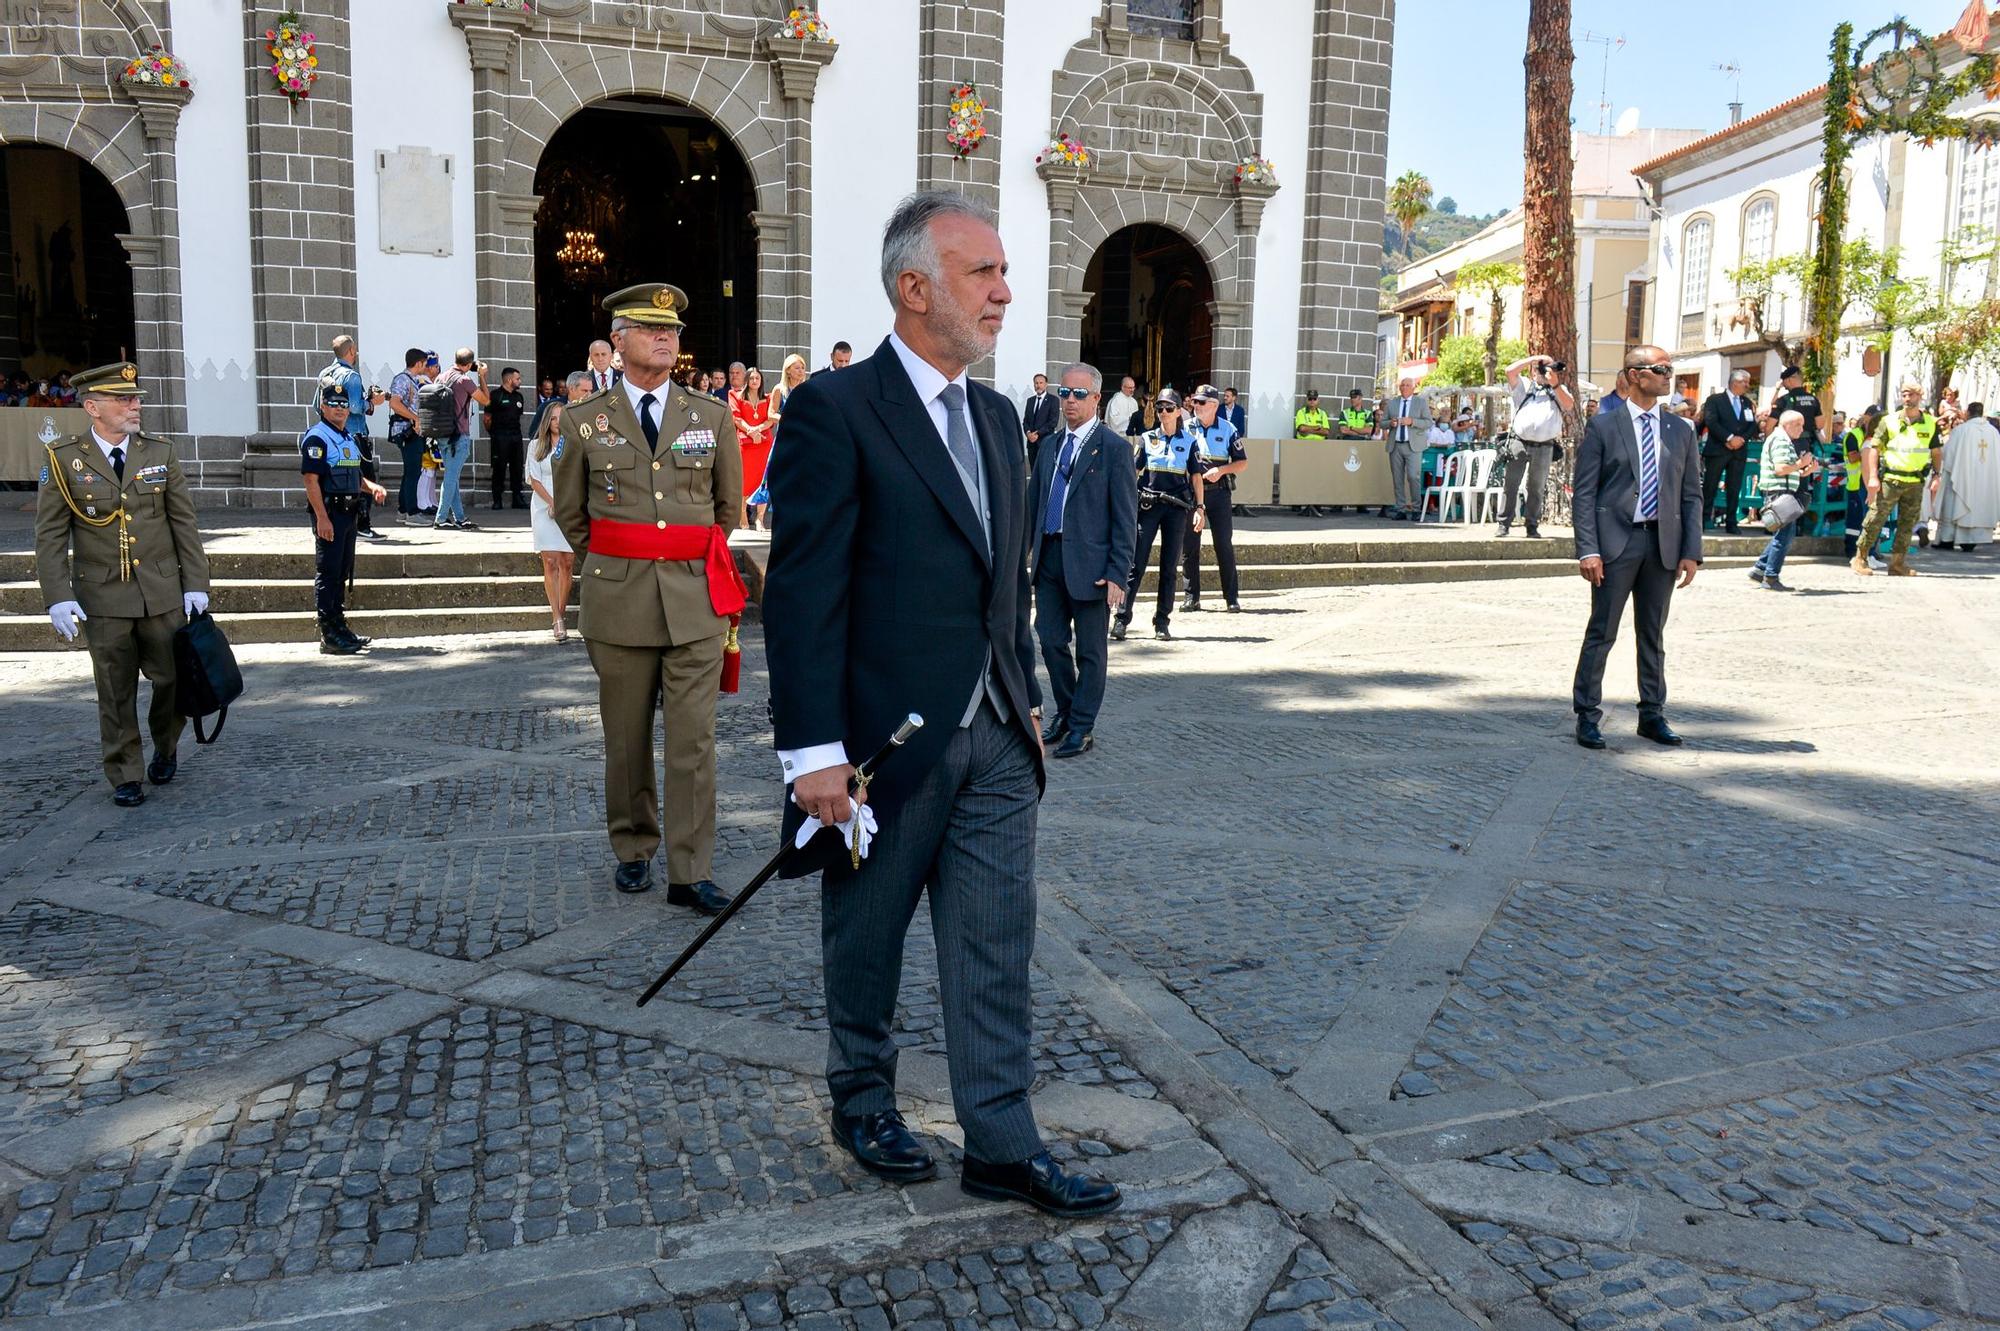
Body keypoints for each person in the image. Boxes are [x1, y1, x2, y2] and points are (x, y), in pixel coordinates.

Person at [763, 190, 1119, 1219]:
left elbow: (1000, 580)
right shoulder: (835, 409)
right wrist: (811, 753)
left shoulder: (1002, 414)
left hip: (998, 734)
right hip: (883, 741)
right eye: (981, 272)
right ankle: (862, 1096)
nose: (1005, 292)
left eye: (1004, 271)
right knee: (865, 936)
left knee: (996, 946)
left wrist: (1027, 699)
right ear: (912, 287)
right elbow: (803, 592)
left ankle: (1001, 1141)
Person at [552, 282, 741, 910]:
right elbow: (573, 516)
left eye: (674, 331)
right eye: (650, 328)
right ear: (618, 340)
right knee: (626, 738)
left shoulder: (710, 416)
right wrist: (619, 562)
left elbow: (726, 510)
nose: (666, 338)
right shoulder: (584, 422)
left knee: (694, 741)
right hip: (620, 600)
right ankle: (634, 847)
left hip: (694, 603)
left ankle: (690, 869)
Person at [36, 362, 213, 807]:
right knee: (114, 689)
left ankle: (166, 747)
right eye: (125, 400)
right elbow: (51, 534)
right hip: (103, 595)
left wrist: (196, 581)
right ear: (93, 407)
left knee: (172, 678)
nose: (136, 406)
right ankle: (124, 772)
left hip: (161, 591)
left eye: (135, 399)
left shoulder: (160, 452)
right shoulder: (63, 459)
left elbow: (183, 523)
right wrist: (57, 595)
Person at [1572, 347, 1702, 750]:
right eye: (1661, 370)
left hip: (1661, 545)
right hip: (1615, 544)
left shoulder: (1680, 430)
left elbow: (1691, 495)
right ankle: (1587, 716)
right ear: (1635, 374)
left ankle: (1652, 714)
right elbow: (1585, 493)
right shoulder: (1604, 426)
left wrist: (1691, 551)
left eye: (1670, 369)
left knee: (1652, 634)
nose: (1668, 376)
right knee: (1602, 631)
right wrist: (1587, 550)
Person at [1030, 362, 1136, 759]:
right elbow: (1034, 505)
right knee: (1051, 639)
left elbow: (1126, 518)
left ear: (1096, 398)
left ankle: (1082, 725)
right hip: (1050, 559)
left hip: (1092, 567)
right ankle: (1069, 710)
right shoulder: (1050, 446)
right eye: (1064, 393)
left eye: (1078, 394)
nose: (1068, 401)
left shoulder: (1114, 450)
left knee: (1090, 652)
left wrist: (1117, 574)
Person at [300, 380, 389, 654]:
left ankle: (341, 627)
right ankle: (329, 633)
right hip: (331, 513)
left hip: (349, 514)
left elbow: (354, 474)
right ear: (323, 406)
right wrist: (322, 518)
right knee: (328, 574)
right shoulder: (317, 437)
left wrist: (371, 487)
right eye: (333, 404)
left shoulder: (346, 437)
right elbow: (311, 481)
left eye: (343, 405)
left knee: (342, 572)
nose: (339, 409)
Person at [1115, 389, 1203, 642]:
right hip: (1148, 507)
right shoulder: (1147, 438)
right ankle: (1122, 619)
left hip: (1176, 509)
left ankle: (1162, 622)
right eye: (1161, 408)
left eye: (1169, 408)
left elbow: (1196, 477)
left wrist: (1200, 508)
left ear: (1179, 411)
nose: (1163, 412)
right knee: (1136, 565)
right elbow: (1133, 472)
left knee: (1169, 568)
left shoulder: (1189, 442)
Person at [1852, 383, 1939, 577]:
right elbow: (1874, 448)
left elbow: (1936, 452)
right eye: (1904, 394)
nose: (1907, 398)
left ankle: (1898, 563)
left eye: (1911, 394)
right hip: (1891, 478)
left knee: (1908, 524)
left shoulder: (1930, 423)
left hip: (1915, 481)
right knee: (1875, 519)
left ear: (1920, 396)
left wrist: (1937, 475)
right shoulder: (1889, 421)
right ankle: (1860, 557)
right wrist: (1873, 477)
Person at [1180, 384, 1247, 611]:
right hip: (1191, 494)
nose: (1195, 406)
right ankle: (1191, 597)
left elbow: (1242, 462)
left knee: (1223, 545)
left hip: (1219, 493)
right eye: (1194, 402)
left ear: (1214, 405)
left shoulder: (1228, 429)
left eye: (1201, 402)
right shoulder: (1186, 427)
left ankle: (1231, 598)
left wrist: (1222, 470)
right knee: (1190, 546)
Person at [319, 334, 387, 541]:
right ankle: (363, 526)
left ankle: (345, 523)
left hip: (330, 434)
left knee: (339, 478)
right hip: (354, 435)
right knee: (364, 479)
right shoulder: (352, 376)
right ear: (351, 351)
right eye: (354, 350)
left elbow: (317, 404)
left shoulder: (325, 373)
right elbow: (356, 406)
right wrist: (373, 402)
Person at [1497, 354, 1572, 537]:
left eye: (1548, 368)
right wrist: (1534, 359)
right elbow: (1509, 371)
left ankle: (1532, 525)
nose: (1543, 371)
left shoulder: (1558, 389)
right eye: (1541, 368)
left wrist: (1554, 382)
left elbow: (1569, 405)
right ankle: (1503, 524)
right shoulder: (1524, 385)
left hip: (1545, 445)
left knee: (1536, 487)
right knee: (1511, 484)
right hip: (1519, 442)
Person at [1748, 409, 1820, 591]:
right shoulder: (1780, 440)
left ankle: (1760, 569)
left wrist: (1805, 471)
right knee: (1784, 535)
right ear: (1787, 424)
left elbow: (1786, 469)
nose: (1801, 429)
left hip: (1780, 491)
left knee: (1784, 534)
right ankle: (1770, 576)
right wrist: (1801, 464)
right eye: (1798, 425)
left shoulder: (1781, 439)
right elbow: (1780, 469)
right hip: (1779, 492)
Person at [524, 398, 575, 641]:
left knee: (567, 562)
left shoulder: (573, 444)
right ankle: (556, 617)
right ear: (546, 420)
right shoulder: (536, 446)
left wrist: (566, 504)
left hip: (570, 506)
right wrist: (553, 503)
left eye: (560, 418)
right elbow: (534, 479)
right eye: (553, 418)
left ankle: (562, 612)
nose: (557, 422)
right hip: (544, 507)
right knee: (551, 562)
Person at [432, 349, 489, 530]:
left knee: (452, 477)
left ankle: (460, 518)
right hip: (459, 435)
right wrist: (481, 376)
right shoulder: (464, 380)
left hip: (442, 434)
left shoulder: (441, 377)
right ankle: (440, 519)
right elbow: (486, 400)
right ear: (468, 364)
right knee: (450, 478)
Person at [1932, 400, 1999, 551]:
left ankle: (1947, 539)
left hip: (1961, 478)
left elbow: (1947, 454)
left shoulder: (1961, 430)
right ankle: (1970, 541)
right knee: (1978, 504)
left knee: (1953, 502)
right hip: (1984, 481)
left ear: (1968, 413)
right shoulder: (1993, 432)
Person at [1699, 370, 1755, 533]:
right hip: (1718, 449)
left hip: (1738, 452)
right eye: (1745, 381)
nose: (1747, 385)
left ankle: (1732, 522)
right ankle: (1703, 519)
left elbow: (1752, 425)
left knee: (1734, 487)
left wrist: (1741, 439)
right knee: (1710, 486)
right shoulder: (1715, 400)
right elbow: (1711, 421)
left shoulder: (1746, 402)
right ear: (1734, 382)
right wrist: (1729, 438)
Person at [385, 348, 429, 525]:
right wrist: (415, 418)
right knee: (412, 473)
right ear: (418, 363)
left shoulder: (412, 380)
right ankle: (412, 512)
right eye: (424, 364)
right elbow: (395, 403)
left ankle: (403, 510)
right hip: (406, 431)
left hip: (410, 431)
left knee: (410, 472)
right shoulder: (403, 379)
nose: (425, 367)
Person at [732, 364, 774, 530]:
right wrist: (750, 430)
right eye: (752, 378)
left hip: (763, 443)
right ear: (746, 380)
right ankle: (742, 515)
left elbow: (771, 418)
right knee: (745, 480)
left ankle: (760, 519)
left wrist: (758, 429)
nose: (755, 380)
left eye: (758, 378)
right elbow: (736, 418)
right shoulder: (736, 396)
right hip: (746, 444)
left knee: (762, 481)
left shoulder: (769, 397)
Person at [1381, 377, 1430, 519]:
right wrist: (1391, 423)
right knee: (1397, 478)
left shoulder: (1420, 402)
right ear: (1399, 387)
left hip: (1413, 446)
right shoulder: (1392, 403)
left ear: (1413, 388)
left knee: (1413, 476)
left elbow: (1428, 422)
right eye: (1402, 385)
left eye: (1408, 385)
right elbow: (1382, 423)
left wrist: (1412, 421)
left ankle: (1416, 508)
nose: (1404, 387)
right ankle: (1400, 509)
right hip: (1395, 445)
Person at [1839, 407, 1882, 561]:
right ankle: (1851, 550)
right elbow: (1852, 458)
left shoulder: (1876, 436)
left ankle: (1870, 551)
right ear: (1866, 417)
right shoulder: (1853, 435)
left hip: (1868, 483)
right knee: (1855, 522)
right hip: (1856, 485)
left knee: (1870, 519)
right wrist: (1869, 453)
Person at [484, 366, 529, 510]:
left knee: (517, 467)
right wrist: (494, 434)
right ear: (509, 380)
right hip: (500, 436)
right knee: (499, 468)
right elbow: (487, 419)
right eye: (517, 379)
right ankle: (497, 500)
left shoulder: (519, 397)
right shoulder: (496, 395)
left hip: (516, 436)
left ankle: (517, 498)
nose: (519, 381)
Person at [1021, 372, 1059, 472]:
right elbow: (1026, 421)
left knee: (1044, 472)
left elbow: (1053, 422)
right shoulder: (1030, 401)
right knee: (1033, 471)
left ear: (1046, 384)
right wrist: (1028, 433)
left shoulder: (1053, 400)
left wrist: (1037, 434)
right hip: (1031, 444)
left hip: (1045, 442)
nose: (1038, 385)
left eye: (1041, 383)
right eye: (1036, 383)